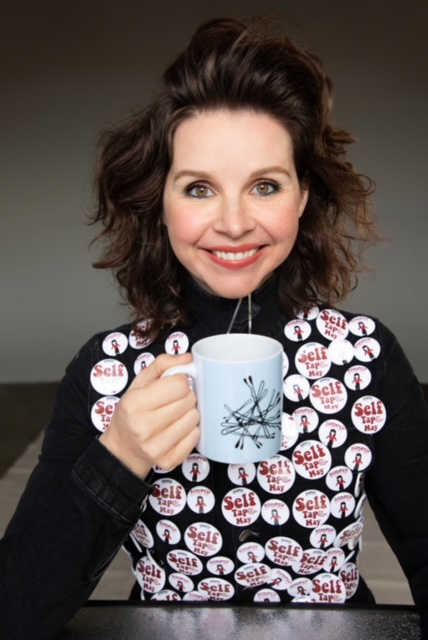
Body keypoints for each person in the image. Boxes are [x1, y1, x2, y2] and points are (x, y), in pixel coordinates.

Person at [1, 15, 428, 640]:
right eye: (199, 188)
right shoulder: (107, 372)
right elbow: (14, 612)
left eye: (264, 185)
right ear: (162, 200)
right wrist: (120, 454)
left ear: (302, 196)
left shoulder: (366, 357)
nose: (233, 224)